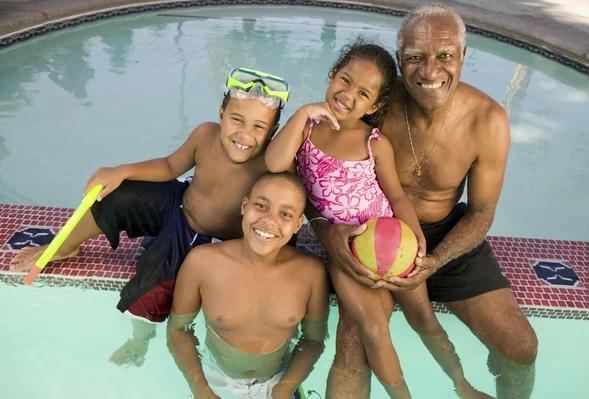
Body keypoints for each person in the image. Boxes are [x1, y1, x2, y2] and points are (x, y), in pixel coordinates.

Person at [309, 5, 538, 399]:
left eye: (445, 55)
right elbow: (315, 171)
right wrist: (328, 233)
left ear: (463, 56)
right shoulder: (375, 100)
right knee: (352, 347)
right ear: (400, 61)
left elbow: (482, 212)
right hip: (369, 232)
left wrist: (437, 258)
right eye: (415, 57)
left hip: (446, 236)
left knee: (521, 348)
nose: (430, 71)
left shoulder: (488, 121)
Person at [10, 67, 294, 367]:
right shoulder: (205, 134)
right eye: (237, 119)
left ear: (273, 132)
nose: (244, 135)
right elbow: (171, 166)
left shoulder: (274, 164)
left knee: (151, 287)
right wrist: (122, 171)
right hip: (179, 203)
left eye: (258, 127)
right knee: (119, 194)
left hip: (211, 242)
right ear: (222, 114)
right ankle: (68, 245)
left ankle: (140, 339)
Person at [266, 40, 488, 398]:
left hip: (394, 242)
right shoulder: (307, 131)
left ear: (376, 104)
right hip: (349, 251)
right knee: (372, 327)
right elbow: (275, 165)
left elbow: (397, 196)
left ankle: (461, 384)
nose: (348, 95)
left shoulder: (375, 143)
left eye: (363, 92)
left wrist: (418, 249)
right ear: (331, 75)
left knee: (425, 320)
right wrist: (302, 113)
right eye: (344, 80)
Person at [167, 171, 329, 399]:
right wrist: (200, 388)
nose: (269, 220)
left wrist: (284, 388)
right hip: (216, 377)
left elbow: (313, 340)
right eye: (261, 206)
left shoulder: (311, 272)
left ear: (297, 225)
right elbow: (178, 331)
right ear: (245, 206)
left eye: (285, 214)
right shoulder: (202, 262)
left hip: (281, 378)